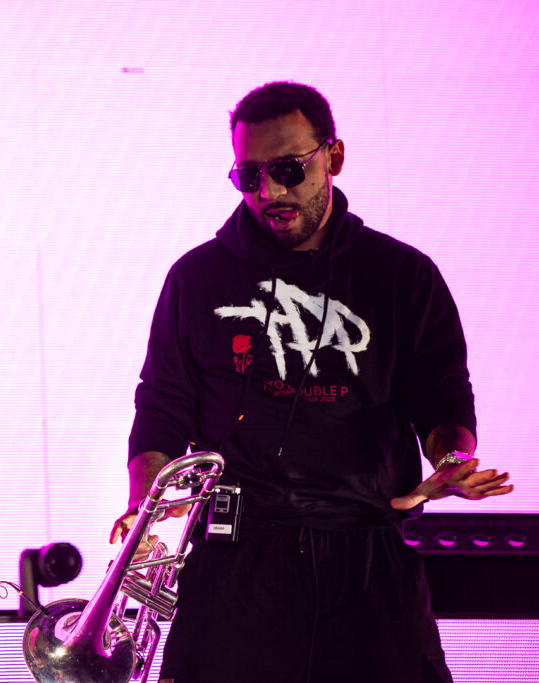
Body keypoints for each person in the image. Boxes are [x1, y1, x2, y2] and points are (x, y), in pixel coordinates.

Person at [110, 81, 512, 683]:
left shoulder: (401, 274)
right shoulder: (197, 277)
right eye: (249, 176)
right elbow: (162, 407)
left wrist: (452, 459)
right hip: (235, 562)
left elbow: (442, 394)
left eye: (288, 170)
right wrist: (145, 506)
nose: (269, 192)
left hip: (368, 556)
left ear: (333, 157)